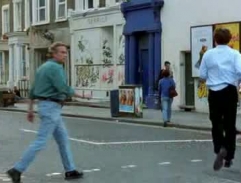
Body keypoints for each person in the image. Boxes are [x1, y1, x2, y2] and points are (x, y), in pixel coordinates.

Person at [7, 42, 88, 183]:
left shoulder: (42, 68)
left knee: (63, 140)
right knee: (41, 141)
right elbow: (62, 87)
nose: (65, 55)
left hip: (48, 107)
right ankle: (17, 169)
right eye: (62, 52)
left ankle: (70, 170)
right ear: (54, 53)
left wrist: (30, 109)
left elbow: (32, 91)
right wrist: (81, 95)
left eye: (66, 52)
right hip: (51, 107)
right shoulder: (55, 68)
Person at [199, 28, 241, 171]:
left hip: (214, 92)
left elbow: (202, 75)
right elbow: (240, 71)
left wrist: (212, 76)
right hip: (229, 90)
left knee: (216, 123)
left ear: (215, 39)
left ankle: (219, 148)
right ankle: (229, 157)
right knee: (230, 125)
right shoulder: (235, 54)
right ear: (229, 39)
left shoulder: (208, 55)